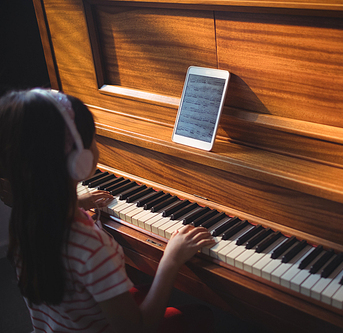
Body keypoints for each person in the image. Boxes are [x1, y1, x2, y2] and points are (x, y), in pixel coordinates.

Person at [0, 88, 216, 332]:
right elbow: (138, 329)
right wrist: (171, 260)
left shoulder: (25, 219)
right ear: (79, 161)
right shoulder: (90, 247)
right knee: (199, 316)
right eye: (93, 139)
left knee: (141, 291)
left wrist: (77, 203)